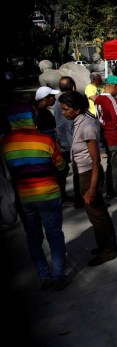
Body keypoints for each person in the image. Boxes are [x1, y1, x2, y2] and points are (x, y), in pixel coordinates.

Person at [1, 101, 68, 290]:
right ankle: (59, 274)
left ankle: (44, 276)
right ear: (32, 118)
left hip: (24, 198)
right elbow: (61, 166)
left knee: (33, 237)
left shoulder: (5, 143)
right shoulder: (45, 140)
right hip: (49, 194)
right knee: (54, 234)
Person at [58, 91, 117, 267]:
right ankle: (104, 246)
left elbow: (95, 159)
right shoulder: (79, 121)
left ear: (76, 109)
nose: (63, 112)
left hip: (88, 174)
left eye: (66, 109)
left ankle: (108, 251)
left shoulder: (87, 125)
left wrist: (92, 188)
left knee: (97, 214)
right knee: (96, 213)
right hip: (82, 173)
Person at [54, 76, 83, 208]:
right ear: (73, 87)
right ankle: (78, 198)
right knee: (76, 172)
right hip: (71, 142)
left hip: (63, 142)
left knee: (63, 171)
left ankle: (63, 196)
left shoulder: (57, 102)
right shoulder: (69, 103)